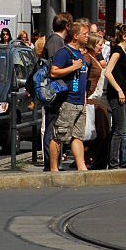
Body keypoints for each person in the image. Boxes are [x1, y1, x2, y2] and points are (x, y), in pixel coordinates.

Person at [48, 22, 89, 172]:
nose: (88, 36)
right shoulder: (64, 52)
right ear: (76, 36)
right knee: (59, 135)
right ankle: (53, 169)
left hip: (79, 102)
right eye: (85, 34)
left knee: (78, 136)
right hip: (68, 101)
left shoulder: (79, 53)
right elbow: (54, 72)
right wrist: (73, 67)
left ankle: (81, 167)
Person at [105, 23, 126, 172]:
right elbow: (108, 72)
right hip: (117, 94)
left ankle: (114, 161)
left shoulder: (124, 51)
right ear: (124, 37)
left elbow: (125, 72)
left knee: (118, 128)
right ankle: (113, 163)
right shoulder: (118, 51)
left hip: (123, 92)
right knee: (120, 128)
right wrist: (119, 90)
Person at [40, 13, 71, 171]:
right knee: (52, 128)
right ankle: (50, 164)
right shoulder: (55, 41)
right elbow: (54, 69)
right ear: (67, 26)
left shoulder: (57, 41)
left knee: (56, 127)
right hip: (54, 91)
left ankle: (54, 162)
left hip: (58, 90)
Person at [82, 33, 111, 170]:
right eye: (99, 44)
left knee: (97, 131)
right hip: (90, 99)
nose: (102, 46)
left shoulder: (93, 57)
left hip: (96, 99)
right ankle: (88, 159)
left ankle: (93, 158)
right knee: (95, 131)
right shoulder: (87, 58)